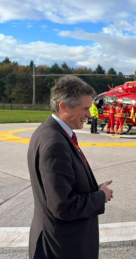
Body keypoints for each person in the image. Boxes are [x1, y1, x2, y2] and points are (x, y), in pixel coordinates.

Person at [27, 75, 114, 259]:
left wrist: (92, 190)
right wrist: (99, 197)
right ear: (63, 107)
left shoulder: (50, 133)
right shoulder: (54, 142)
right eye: (84, 109)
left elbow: (60, 190)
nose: (89, 115)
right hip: (62, 248)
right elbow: (62, 206)